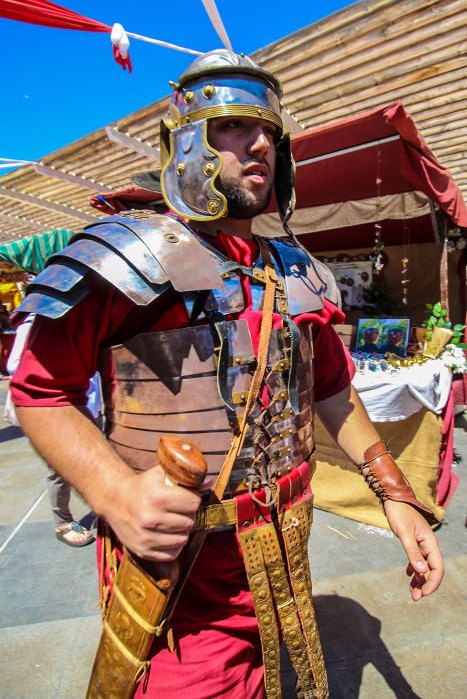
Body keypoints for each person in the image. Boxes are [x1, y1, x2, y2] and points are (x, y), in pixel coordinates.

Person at [10, 50, 443, 698]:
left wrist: (392, 491)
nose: (260, 142)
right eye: (233, 126)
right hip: (179, 567)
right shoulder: (126, 254)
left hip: (286, 538)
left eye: (268, 130)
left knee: (278, 676)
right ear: (185, 142)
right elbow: (39, 387)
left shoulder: (296, 268)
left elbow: (328, 387)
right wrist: (115, 495)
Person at [6, 314, 96, 547]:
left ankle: (103, 506)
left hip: (91, 402)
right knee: (59, 468)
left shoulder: (88, 315)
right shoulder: (35, 322)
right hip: (58, 408)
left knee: (96, 458)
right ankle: (62, 521)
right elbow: (15, 364)